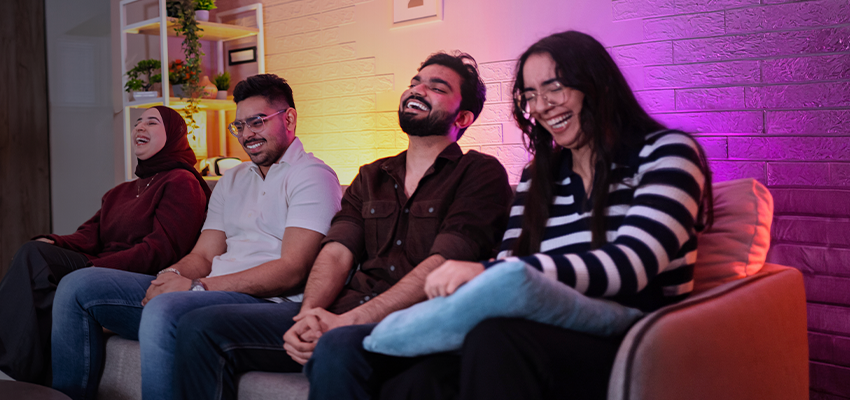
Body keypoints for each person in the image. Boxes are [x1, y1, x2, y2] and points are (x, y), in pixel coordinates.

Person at [367, 30, 714, 400]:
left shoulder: (668, 153)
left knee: (496, 339)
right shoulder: (539, 175)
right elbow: (510, 262)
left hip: (636, 339)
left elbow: (633, 265)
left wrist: (488, 272)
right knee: (416, 378)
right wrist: (495, 275)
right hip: (542, 326)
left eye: (554, 87)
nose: (542, 105)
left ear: (597, 84)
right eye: (531, 95)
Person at [171, 51, 515, 400]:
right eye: (415, 82)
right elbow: (336, 253)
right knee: (199, 327)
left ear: (465, 115)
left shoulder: (479, 173)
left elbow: (445, 260)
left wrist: (348, 321)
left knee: (336, 347)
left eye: (436, 87)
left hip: (414, 320)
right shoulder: (371, 175)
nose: (418, 89)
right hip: (341, 314)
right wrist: (307, 317)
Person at [48, 73, 344, 400]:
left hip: (262, 301)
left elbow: (293, 269)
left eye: (257, 122)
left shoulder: (312, 176)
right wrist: (172, 276)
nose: (247, 135)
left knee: (166, 309)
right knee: (77, 286)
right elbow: (203, 255)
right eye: (239, 126)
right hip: (208, 290)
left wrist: (196, 287)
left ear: (288, 118)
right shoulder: (231, 180)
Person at [0, 106, 210, 384]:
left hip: (136, 276)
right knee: (34, 252)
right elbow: (89, 235)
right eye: (137, 123)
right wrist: (53, 241)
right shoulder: (120, 192)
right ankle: (1, 364)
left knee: (41, 269)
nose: (139, 127)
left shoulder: (182, 182)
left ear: (174, 135)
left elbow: (162, 250)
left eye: (152, 122)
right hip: (100, 268)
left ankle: (4, 366)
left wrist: (93, 269)